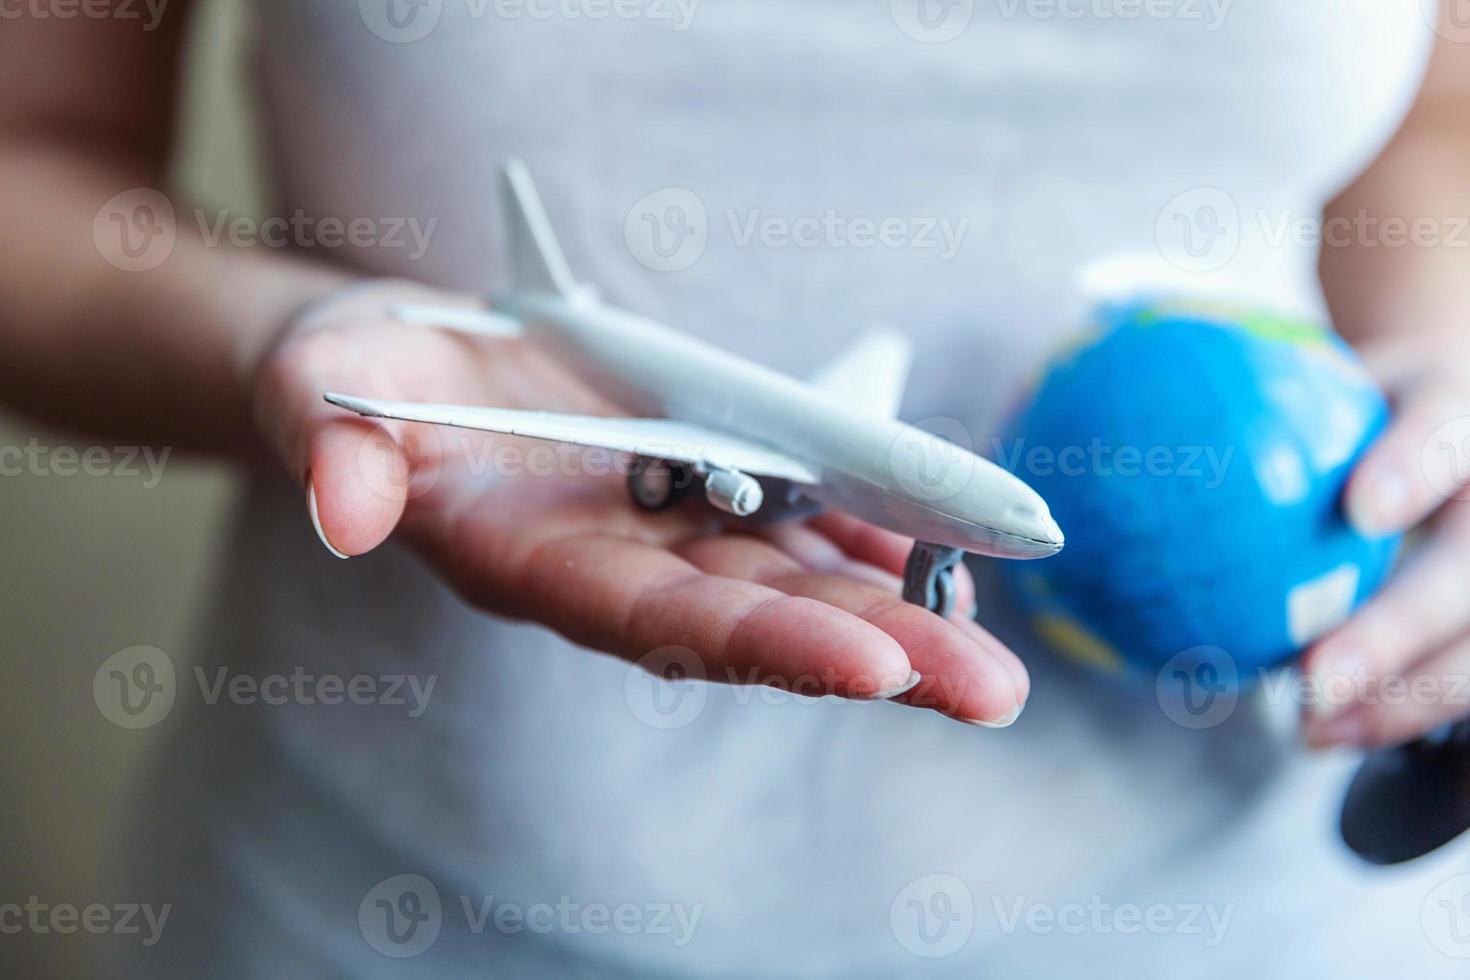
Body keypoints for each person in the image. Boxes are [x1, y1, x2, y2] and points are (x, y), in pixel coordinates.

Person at [4, 1, 1470, 975]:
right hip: (400, 903)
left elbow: (1432, 116)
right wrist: (288, 347)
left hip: (1266, 905)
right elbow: (35, 158)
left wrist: (1438, 375)